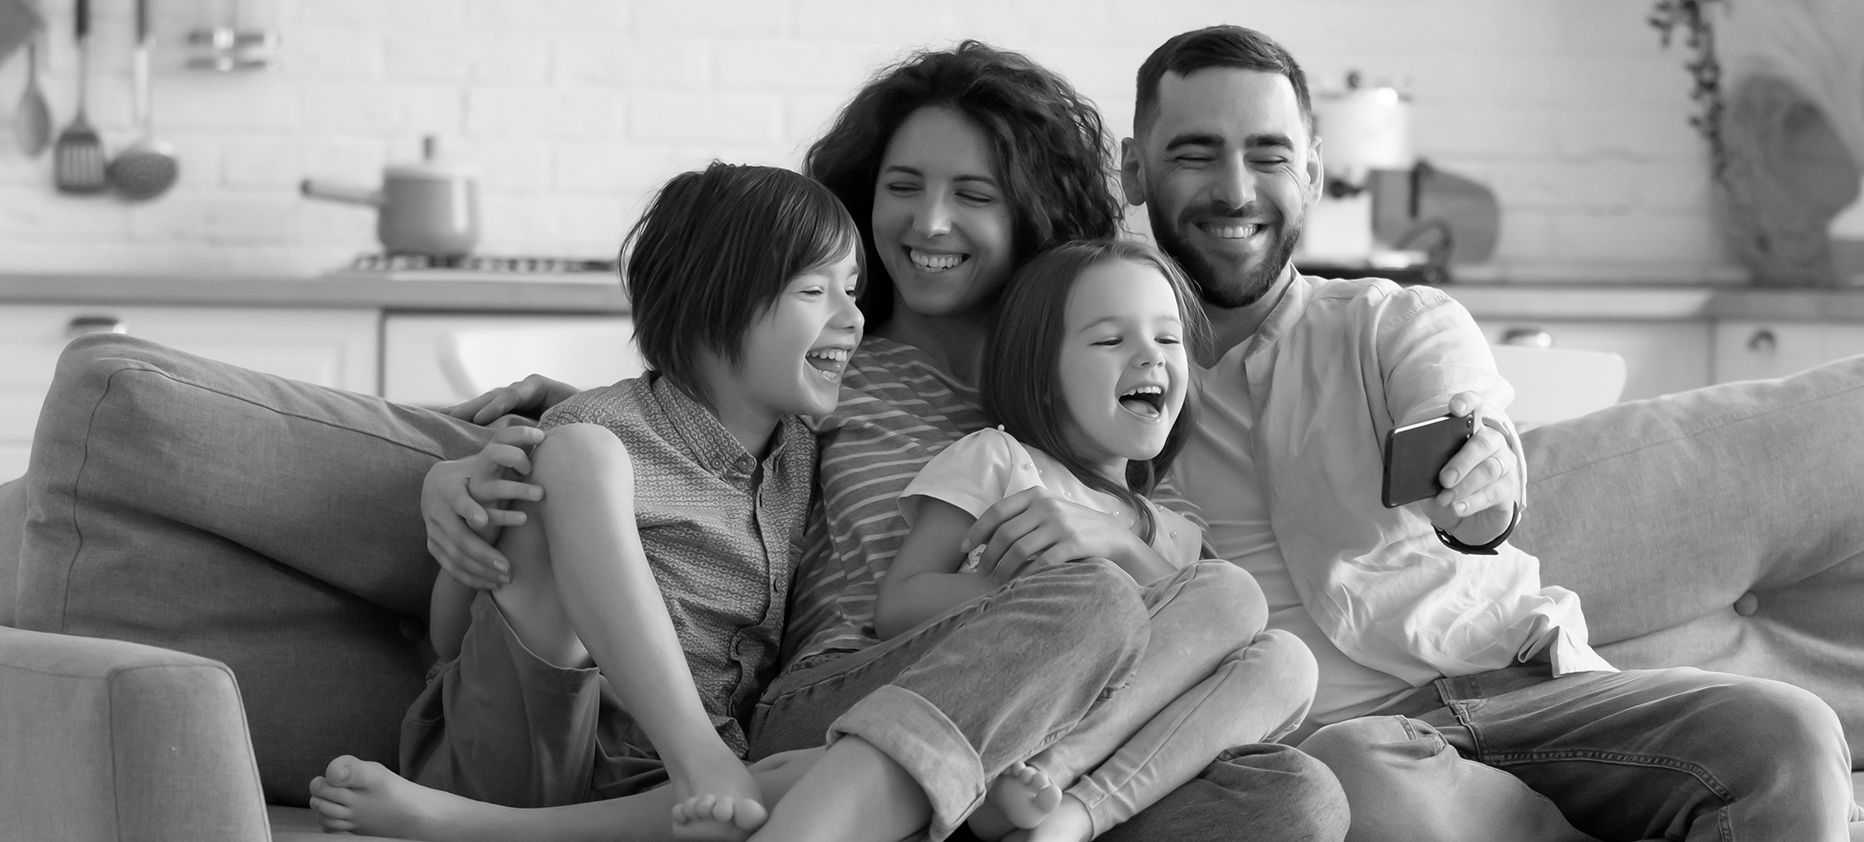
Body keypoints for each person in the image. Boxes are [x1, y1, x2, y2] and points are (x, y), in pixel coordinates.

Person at [370, 42, 1345, 842]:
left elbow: (1165, 572)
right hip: (846, 691)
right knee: (1087, 609)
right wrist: (475, 460)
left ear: (1033, 211)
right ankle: (859, 798)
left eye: (974, 193)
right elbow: (684, 417)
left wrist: (1110, 550)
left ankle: (1020, 801)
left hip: (1040, 716)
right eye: (903, 185)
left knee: (1292, 795)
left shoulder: (1072, 391)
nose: (928, 220)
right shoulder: (836, 371)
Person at [1117, 25, 1858, 842]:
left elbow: (1470, 448)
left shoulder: (1394, 323)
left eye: (1268, 155)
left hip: (1527, 690)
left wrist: (1484, 482)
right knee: (1355, 779)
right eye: (1195, 154)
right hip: (1355, 753)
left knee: (1788, 731)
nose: (1236, 190)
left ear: (1314, 170)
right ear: (1134, 169)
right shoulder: (1097, 373)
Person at [315, 161, 863, 840]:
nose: (852, 315)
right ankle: (692, 761)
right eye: (816, 289)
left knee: (859, 763)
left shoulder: (805, 459)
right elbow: (451, 637)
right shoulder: (592, 433)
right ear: (709, 304)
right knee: (581, 453)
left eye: (853, 288)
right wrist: (468, 532)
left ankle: (471, 828)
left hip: (667, 790)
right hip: (529, 739)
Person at [849, 238, 1315, 842]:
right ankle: (1032, 777)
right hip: (998, 709)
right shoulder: (1002, 462)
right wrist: (1029, 598)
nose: (1150, 357)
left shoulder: (1181, 539)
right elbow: (897, 607)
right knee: (1220, 596)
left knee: (1286, 656)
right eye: (1109, 339)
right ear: (1042, 375)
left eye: (1168, 339)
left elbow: (1214, 681)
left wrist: (1120, 547)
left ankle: (1067, 814)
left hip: (1115, 765)